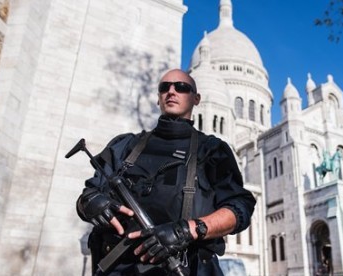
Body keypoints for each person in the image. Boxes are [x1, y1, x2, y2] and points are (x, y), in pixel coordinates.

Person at [76, 69, 256, 275]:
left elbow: (239, 208)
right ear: (158, 98)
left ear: (196, 99)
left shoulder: (212, 151)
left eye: (181, 87)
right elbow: (87, 196)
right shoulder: (125, 145)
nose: (171, 91)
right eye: (165, 87)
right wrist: (90, 204)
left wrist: (187, 231)